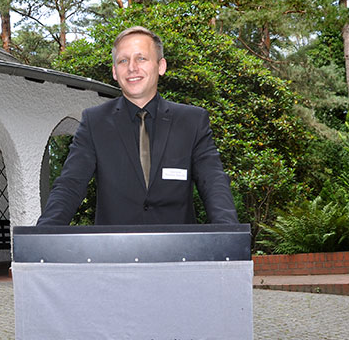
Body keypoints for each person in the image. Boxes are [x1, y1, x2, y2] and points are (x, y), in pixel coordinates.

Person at [37, 26, 239, 226]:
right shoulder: (94, 122)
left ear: (161, 66)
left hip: (178, 253)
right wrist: (41, 237)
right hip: (115, 252)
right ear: (115, 72)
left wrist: (229, 234)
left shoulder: (192, 121)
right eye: (123, 60)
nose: (132, 67)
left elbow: (213, 182)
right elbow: (70, 186)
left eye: (141, 58)